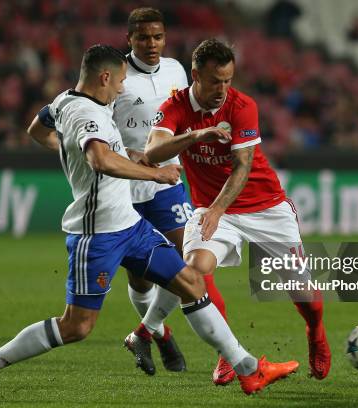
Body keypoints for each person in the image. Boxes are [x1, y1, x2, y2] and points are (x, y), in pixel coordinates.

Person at [0, 44, 298, 403]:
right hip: (98, 232)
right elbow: (100, 159)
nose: (122, 87)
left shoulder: (65, 101)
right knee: (76, 326)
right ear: (104, 78)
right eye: (119, 80)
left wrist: (82, 150)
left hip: (130, 226)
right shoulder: (89, 115)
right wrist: (156, 173)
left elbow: (37, 129)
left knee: (192, 283)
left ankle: (247, 369)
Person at [138, 38, 331, 385]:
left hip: (265, 207)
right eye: (215, 81)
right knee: (194, 273)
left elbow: (241, 167)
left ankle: (315, 331)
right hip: (212, 209)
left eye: (228, 80)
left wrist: (215, 210)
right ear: (195, 75)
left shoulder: (242, 106)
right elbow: (152, 150)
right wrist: (196, 136)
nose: (222, 89)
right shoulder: (176, 105)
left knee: (306, 296)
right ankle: (229, 355)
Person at [113, 7, 201, 374]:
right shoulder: (114, 75)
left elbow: (183, 119)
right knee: (140, 275)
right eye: (144, 37)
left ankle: (144, 331)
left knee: (184, 259)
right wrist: (128, 152)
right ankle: (162, 334)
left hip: (167, 180)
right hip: (123, 184)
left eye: (158, 37)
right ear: (130, 39)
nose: (152, 44)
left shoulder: (176, 70)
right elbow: (97, 125)